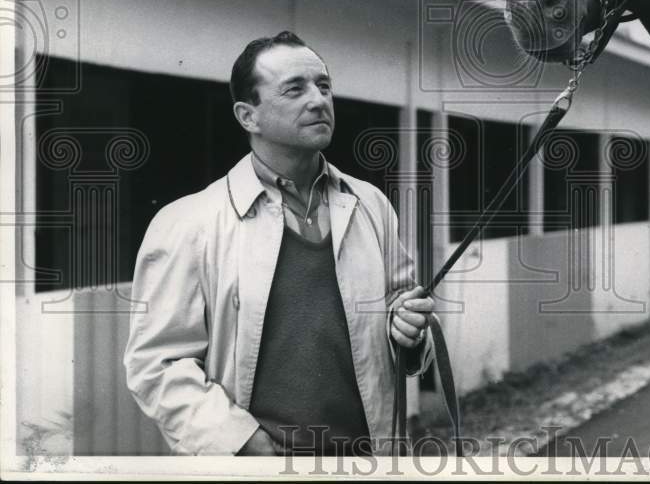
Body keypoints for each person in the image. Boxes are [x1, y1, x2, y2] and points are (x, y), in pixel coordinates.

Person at [124, 31, 434, 456]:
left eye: (324, 86)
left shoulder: (371, 205)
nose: (318, 99)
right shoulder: (187, 223)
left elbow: (401, 311)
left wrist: (410, 332)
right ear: (247, 116)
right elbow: (157, 364)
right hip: (260, 465)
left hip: (367, 460)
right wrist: (240, 441)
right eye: (295, 88)